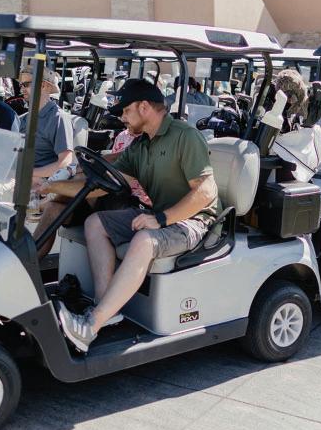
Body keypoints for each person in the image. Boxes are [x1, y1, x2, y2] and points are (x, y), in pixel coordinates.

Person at [49, 79, 220, 352]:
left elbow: (206, 192)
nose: (122, 118)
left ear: (143, 107)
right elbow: (105, 182)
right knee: (96, 223)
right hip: (160, 216)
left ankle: (89, 326)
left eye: (126, 111)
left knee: (144, 240)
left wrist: (161, 219)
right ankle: (106, 309)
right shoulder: (141, 145)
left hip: (195, 221)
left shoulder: (184, 136)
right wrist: (51, 186)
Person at [19, 70, 77, 257]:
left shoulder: (58, 118)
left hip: (41, 185)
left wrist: (30, 173)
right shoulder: (24, 119)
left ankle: (25, 260)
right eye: (21, 85)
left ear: (43, 86)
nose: (22, 89)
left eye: (26, 84)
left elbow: (65, 162)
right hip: (21, 179)